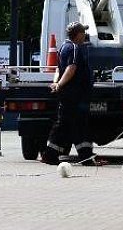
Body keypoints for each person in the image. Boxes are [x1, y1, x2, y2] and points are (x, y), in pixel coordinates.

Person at [42, 21, 96, 166]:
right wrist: (59, 84)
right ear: (78, 34)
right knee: (65, 125)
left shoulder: (63, 47)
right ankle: (50, 154)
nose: (85, 35)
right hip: (74, 95)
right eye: (83, 32)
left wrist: (56, 82)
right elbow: (71, 68)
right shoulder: (74, 48)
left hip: (71, 94)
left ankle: (86, 156)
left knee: (79, 125)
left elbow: (58, 68)